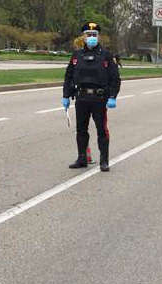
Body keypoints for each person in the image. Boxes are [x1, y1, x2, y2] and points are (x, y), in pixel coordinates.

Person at [62, 22, 120, 172]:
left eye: (94, 35)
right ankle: (82, 158)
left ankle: (104, 160)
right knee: (81, 130)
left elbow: (115, 78)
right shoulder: (77, 55)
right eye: (89, 35)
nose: (91, 37)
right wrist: (66, 95)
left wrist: (113, 96)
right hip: (81, 98)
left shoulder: (106, 56)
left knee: (102, 130)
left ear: (98, 37)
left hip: (99, 99)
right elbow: (68, 76)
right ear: (84, 37)